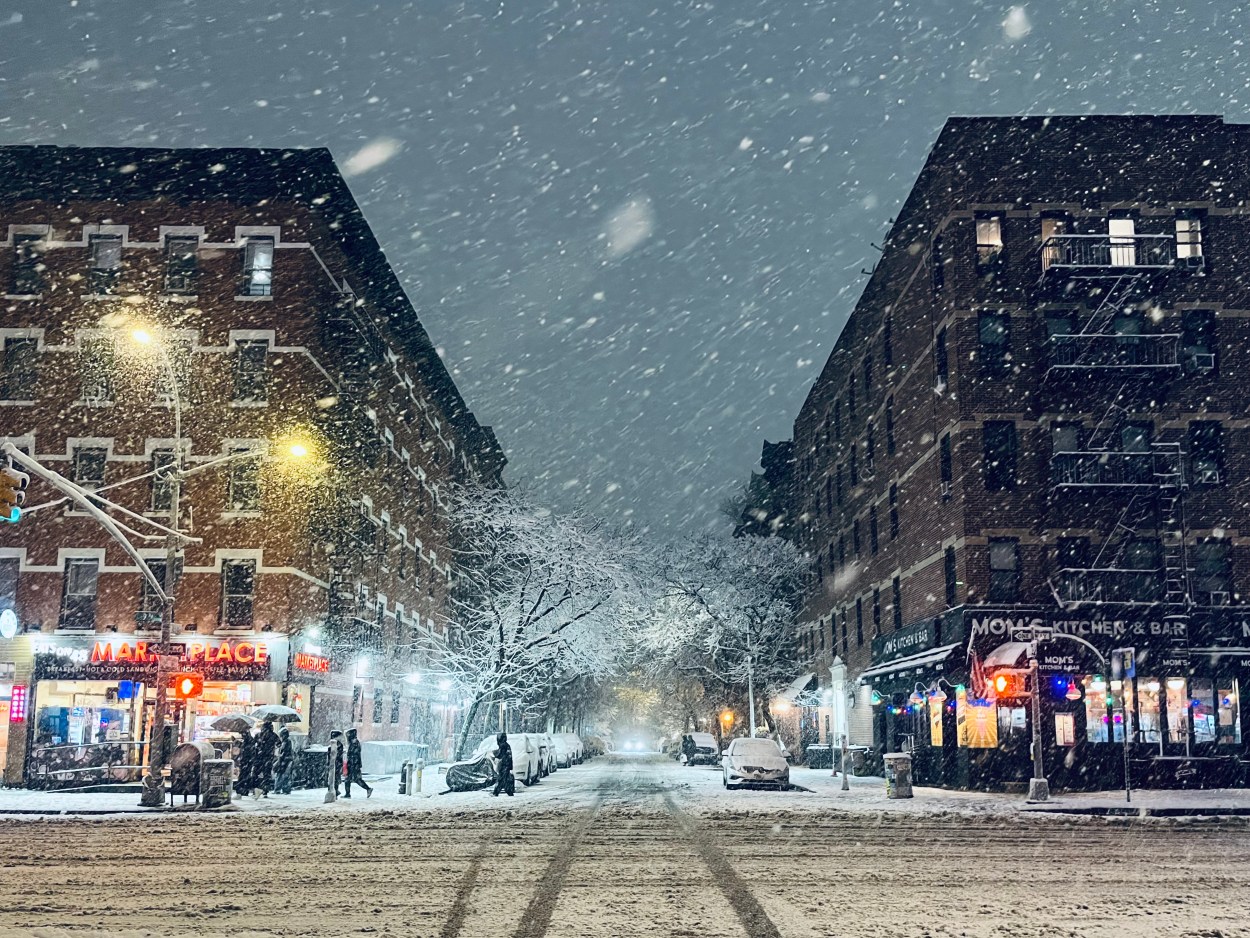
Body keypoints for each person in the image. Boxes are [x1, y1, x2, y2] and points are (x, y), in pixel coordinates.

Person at [343, 728, 372, 798]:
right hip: (354, 764)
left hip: (353, 765)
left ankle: (368, 789)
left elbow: (353, 755)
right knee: (351, 779)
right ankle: (348, 793)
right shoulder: (354, 742)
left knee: (354, 779)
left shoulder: (354, 743)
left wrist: (352, 764)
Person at [254, 721, 280, 798]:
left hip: (259, 757)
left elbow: (254, 744)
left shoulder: (259, 735)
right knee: (267, 774)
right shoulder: (273, 735)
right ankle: (265, 791)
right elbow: (279, 744)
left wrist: (259, 748)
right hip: (268, 757)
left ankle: (257, 789)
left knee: (256, 773)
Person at [234, 729, 257, 798]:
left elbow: (247, 751)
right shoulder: (248, 740)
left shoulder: (248, 741)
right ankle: (244, 790)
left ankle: (242, 790)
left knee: (243, 776)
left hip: (246, 762)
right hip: (246, 762)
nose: (241, 736)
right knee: (245, 776)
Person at [491, 732, 515, 797]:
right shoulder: (507, 745)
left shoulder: (503, 745)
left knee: (501, 779)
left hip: (504, 765)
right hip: (507, 765)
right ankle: (509, 791)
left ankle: (496, 792)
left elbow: (500, 754)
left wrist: (494, 754)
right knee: (505, 779)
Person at [273, 727, 295, 795]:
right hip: (285, 760)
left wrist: (280, 759)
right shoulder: (286, 742)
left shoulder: (286, 742)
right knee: (283, 775)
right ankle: (284, 789)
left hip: (285, 760)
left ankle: (281, 789)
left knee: (282, 775)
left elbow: (284, 752)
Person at [328, 731, 345, 796]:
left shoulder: (335, 744)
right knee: (335, 778)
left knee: (334, 778)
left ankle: (335, 790)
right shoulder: (337, 744)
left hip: (336, 764)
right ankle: (335, 790)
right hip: (336, 764)